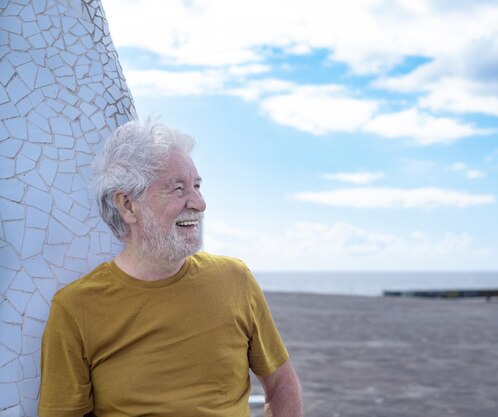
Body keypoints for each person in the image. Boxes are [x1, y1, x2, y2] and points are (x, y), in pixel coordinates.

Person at [39, 120, 303, 417]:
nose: (200, 203)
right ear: (127, 205)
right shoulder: (74, 308)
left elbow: (281, 383)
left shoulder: (235, 278)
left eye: (197, 186)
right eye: (178, 189)